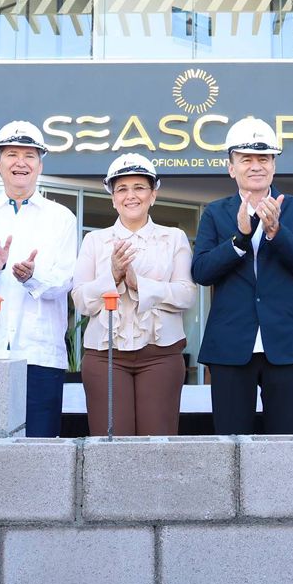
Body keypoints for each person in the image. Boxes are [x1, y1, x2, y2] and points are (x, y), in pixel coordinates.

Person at [0, 120, 78, 438]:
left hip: (40, 353)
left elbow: (66, 280)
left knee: (40, 447)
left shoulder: (61, 218)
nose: (21, 162)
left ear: (40, 165)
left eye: (29, 155)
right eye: (11, 154)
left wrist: (33, 277)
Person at [192, 116, 293, 434]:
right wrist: (239, 239)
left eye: (263, 159)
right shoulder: (215, 212)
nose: (255, 166)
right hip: (230, 345)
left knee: (285, 439)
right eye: (246, 159)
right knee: (231, 442)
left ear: (273, 166)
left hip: (285, 345)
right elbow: (201, 271)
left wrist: (276, 231)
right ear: (231, 167)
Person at [73, 153, 196, 436]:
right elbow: (81, 300)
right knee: (110, 441)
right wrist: (113, 276)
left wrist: (139, 284)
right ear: (113, 198)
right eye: (122, 189)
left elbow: (187, 295)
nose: (131, 196)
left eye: (139, 187)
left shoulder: (173, 237)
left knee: (157, 441)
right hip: (105, 356)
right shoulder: (94, 240)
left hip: (161, 354)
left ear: (153, 194)